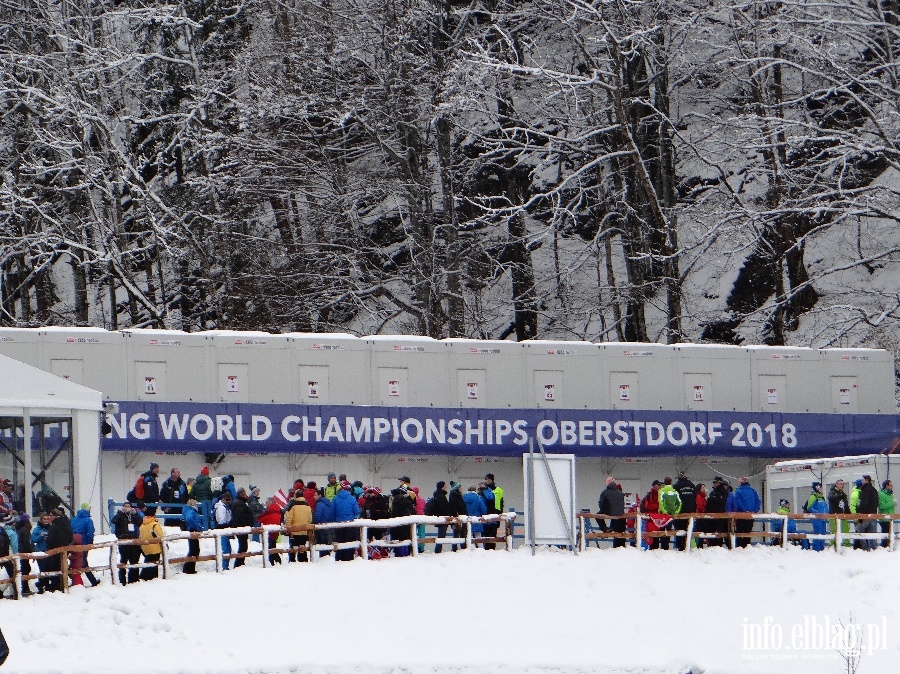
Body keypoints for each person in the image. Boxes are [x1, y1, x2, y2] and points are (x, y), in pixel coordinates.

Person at [111, 501, 142, 584]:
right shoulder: (120, 515)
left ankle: (134, 579)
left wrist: (135, 513)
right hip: (123, 541)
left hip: (134, 541)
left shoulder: (134, 515)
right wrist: (121, 513)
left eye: (128, 506)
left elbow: (141, 522)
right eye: (125, 506)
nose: (127, 507)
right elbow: (113, 521)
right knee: (123, 561)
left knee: (134, 561)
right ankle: (122, 580)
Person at [70, 503, 100, 586]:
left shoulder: (74, 519)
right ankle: (91, 580)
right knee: (83, 561)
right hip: (84, 542)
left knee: (75, 560)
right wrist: (90, 542)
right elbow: (90, 532)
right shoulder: (88, 520)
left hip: (74, 542)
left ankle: (90, 580)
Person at [44, 507, 73, 592]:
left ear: (55, 516)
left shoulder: (54, 526)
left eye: (50, 515)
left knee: (54, 567)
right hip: (65, 548)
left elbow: (50, 539)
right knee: (63, 566)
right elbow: (71, 536)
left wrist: (48, 543)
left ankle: (55, 585)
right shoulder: (67, 524)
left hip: (55, 549)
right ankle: (63, 583)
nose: (49, 517)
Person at [332, 480, 360, 561]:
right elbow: (357, 512)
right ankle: (348, 559)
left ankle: (339, 559)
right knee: (349, 543)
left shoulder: (335, 498)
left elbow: (332, 512)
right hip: (350, 525)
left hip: (339, 524)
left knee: (340, 542)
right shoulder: (352, 499)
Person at [597, 476, 626, 548]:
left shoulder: (605, 492)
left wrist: (603, 510)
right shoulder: (620, 492)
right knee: (619, 531)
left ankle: (605, 528)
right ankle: (620, 546)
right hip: (620, 513)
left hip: (610, 512)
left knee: (598, 516)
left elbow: (601, 502)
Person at [391, 476, 417, 556]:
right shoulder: (409, 494)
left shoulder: (407, 492)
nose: (401, 483)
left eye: (402, 481)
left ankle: (402, 553)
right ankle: (407, 552)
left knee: (400, 538)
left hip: (400, 519)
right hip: (406, 518)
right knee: (406, 537)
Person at [284, 490, 313, 562]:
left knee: (293, 549)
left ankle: (292, 562)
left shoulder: (292, 505)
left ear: (295, 495)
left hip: (294, 531)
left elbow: (289, 519)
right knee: (302, 548)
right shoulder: (307, 505)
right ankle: (303, 561)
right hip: (304, 531)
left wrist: (288, 529)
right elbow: (310, 519)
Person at [732, 476, 761, 548]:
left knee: (739, 532)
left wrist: (744, 510)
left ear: (741, 483)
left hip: (741, 515)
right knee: (748, 532)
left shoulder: (738, 491)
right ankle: (747, 546)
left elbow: (737, 502)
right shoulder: (753, 491)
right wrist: (754, 511)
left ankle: (739, 547)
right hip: (751, 515)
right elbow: (758, 501)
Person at [138, 507, 165, 580]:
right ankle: (152, 578)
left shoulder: (142, 525)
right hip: (155, 547)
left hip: (145, 547)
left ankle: (144, 577)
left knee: (148, 562)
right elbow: (161, 535)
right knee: (154, 563)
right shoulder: (154, 524)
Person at [672, 472, 696, 551]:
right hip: (691, 512)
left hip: (680, 512)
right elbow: (695, 498)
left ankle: (680, 547)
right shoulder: (692, 485)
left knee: (679, 531)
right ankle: (688, 546)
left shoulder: (676, 486)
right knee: (689, 530)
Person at [230, 487, 254, 567]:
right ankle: (238, 563)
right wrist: (247, 523)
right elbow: (240, 517)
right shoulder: (239, 504)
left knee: (244, 545)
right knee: (243, 546)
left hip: (243, 527)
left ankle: (240, 562)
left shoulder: (241, 502)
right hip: (241, 527)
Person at [257, 497, 284, 565]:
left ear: (270, 503)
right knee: (273, 545)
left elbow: (260, 519)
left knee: (270, 547)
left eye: (266, 502)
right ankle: (276, 561)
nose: (265, 504)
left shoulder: (269, 511)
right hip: (276, 530)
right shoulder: (279, 510)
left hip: (269, 531)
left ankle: (273, 561)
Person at [481, 473, 504, 550]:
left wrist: (500, 514)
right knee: (486, 534)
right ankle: (487, 549)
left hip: (495, 513)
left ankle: (492, 550)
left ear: (492, 479)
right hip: (486, 513)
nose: (487, 480)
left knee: (493, 533)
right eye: (486, 479)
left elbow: (501, 503)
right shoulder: (483, 490)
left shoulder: (498, 490)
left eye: (488, 479)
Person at [857, 474, 880, 551]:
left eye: (862, 480)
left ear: (866, 480)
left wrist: (861, 515)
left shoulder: (865, 490)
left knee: (860, 529)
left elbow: (864, 503)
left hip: (866, 515)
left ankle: (864, 548)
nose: (861, 481)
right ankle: (874, 548)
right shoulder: (874, 490)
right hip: (873, 514)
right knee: (871, 532)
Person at [657, 477, 681, 550]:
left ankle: (663, 547)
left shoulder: (662, 491)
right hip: (672, 514)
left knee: (662, 530)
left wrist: (664, 512)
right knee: (669, 530)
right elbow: (679, 502)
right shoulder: (675, 492)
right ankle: (667, 545)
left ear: (664, 483)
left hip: (663, 515)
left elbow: (661, 503)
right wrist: (676, 511)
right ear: (671, 482)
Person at [705, 477, 730, 547]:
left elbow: (719, 500)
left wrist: (710, 499)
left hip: (719, 517)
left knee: (718, 532)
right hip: (711, 517)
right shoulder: (713, 492)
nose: (714, 484)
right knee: (711, 532)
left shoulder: (723, 491)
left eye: (715, 482)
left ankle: (718, 546)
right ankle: (712, 546)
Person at [31, 512, 52, 593]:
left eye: (47, 519)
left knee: (48, 568)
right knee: (42, 568)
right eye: (44, 519)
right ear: (41, 520)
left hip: (49, 551)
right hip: (40, 551)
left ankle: (45, 583)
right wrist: (41, 536)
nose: (46, 521)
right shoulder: (37, 529)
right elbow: (34, 540)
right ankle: (41, 584)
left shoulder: (50, 528)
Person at [805, 482, 829, 551]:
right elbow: (809, 507)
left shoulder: (821, 497)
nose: (822, 489)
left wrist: (827, 513)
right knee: (818, 533)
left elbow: (825, 507)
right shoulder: (813, 496)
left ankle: (821, 548)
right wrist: (817, 513)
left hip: (823, 518)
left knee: (823, 533)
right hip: (817, 519)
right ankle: (816, 549)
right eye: (820, 487)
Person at [313, 488, 336, 557]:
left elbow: (317, 516)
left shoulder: (319, 504)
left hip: (321, 527)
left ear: (320, 495)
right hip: (329, 527)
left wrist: (313, 523)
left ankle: (323, 561)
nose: (314, 497)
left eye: (315, 495)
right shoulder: (329, 503)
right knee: (327, 546)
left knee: (322, 546)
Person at [182, 499, 203, 574]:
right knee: (194, 549)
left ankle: (189, 567)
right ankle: (188, 568)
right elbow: (189, 519)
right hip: (193, 530)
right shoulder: (191, 510)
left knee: (194, 549)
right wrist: (196, 526)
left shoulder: (188, 510)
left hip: (192, 530)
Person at [827, 479, 850, 545]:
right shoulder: (832, 492)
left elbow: (846, 505)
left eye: (843, 484)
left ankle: (847, 546)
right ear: (836, 485)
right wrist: (839, 496)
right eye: (840, 484)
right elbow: (830, 498)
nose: (842, 485)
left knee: (845, 531)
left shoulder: (843, 494)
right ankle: (832, 546)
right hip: (834, 515)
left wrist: (849, 514)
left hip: (843, 515)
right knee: (834, 532)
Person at [214, 492, 234, 570]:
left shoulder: (225, 507)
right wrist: (227, 525)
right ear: (222, 499)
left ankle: (225, 566)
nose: (228, 501)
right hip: (222, 530)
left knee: (227, 548)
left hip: (224, 529)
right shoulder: (221, 508)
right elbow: (221, 521)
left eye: (229, 500)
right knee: (225, 549)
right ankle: (223, 566)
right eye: (226, 499)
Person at [16, 513, 34, 595]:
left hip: (21, 551)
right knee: (26, 568)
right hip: (24, 551)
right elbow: (27, 542)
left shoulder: (19, 529)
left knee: (25, 568)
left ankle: (25, 586)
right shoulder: (25, 530)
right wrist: (31, 551)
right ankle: (25, 587)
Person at [431, 481, 452, 553]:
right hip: (442, 519)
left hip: (440, 518)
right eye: (445, 486)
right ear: (442, 487)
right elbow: (442, 508)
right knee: (441, 535)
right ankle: (437, 551)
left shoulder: (437, 495)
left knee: (441, 535)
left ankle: (438, 550)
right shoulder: (441, 496)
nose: (446, 487)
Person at [447, 481, 468, 551]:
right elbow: (453, 508)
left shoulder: (457, 496)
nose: (461, 488)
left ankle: (458, 547)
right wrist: (456, 516)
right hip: (458, 517)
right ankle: (456, 548)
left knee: (460, 533)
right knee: (457, 533)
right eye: (460, 487)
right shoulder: (454, 496)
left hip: (461, 517)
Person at [879, 479, 894, 548]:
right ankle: (884, 548)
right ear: (886, 486)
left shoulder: (890, 495)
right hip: (884, 519)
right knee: (885, 536)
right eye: (890, 485)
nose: (892, 487)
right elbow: (881, 506)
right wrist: (892, 503)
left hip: (890, 518)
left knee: (889, 536)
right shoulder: (881, 494)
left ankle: (888, 547)